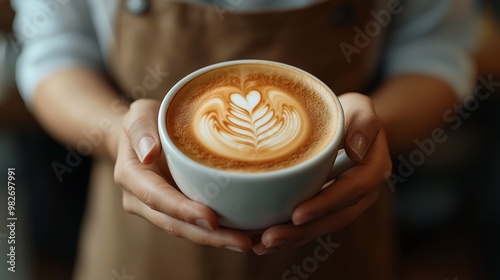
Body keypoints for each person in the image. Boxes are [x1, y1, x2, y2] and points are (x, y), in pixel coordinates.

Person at [11, 0, 478, 279]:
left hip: (337, 230)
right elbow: (52, 53)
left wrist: (367, 135)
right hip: (140, 236)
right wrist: (118, 135)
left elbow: (438, 53)